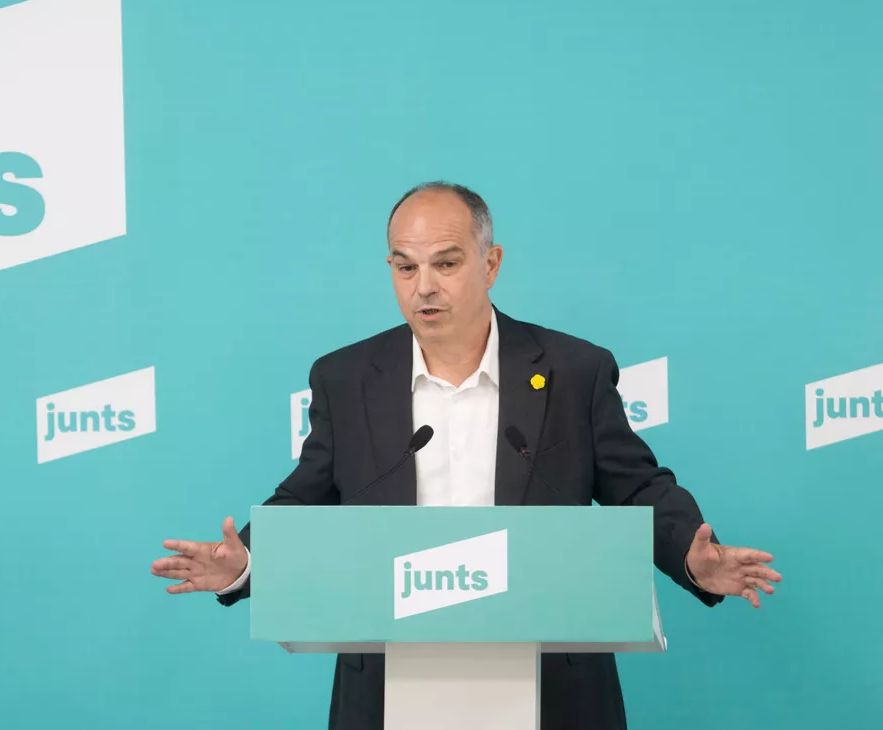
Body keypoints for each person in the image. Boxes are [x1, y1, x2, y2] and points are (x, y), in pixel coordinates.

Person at [150, 181, 780, 730]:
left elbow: (637, 487)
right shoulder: (346, 379)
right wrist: (245, 562)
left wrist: (694, 556)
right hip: (392, 676)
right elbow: (306, 498)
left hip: (549, 674)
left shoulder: (573, 370)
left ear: (491, 262)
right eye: (404, 267)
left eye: (446, 263)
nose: (424, 287)